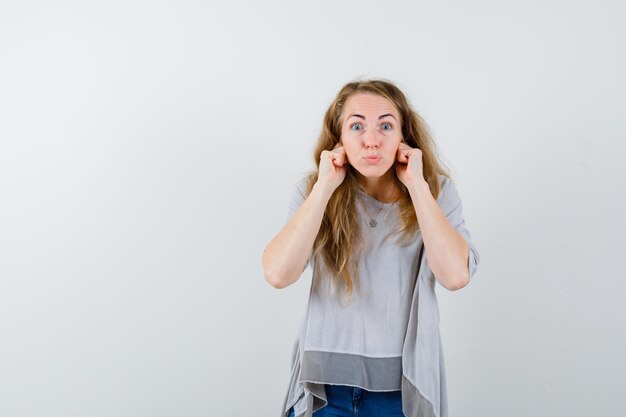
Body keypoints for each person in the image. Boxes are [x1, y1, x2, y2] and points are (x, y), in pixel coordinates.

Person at [261, 78, 481, 417]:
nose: (372, 140)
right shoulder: (314, 190)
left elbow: (455, 275)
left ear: (403, 137)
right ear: (339, 139)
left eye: (386, 126)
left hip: (400, 393)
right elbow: (277, 273)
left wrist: (417, 187)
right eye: (357, 126)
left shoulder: (435, 191)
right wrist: (324, 188)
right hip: (323, 391)